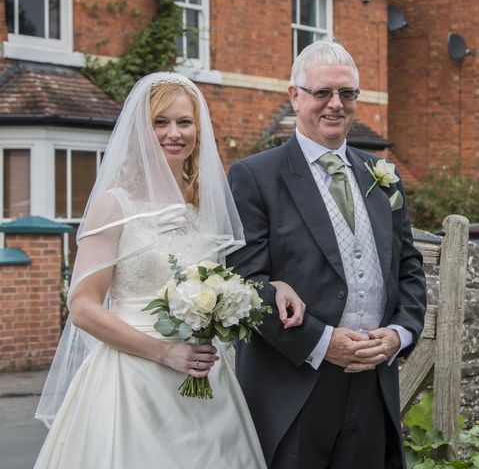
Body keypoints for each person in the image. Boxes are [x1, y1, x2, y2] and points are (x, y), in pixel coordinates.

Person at [34, 72, 305, 469]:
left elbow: (230, 281)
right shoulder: (114, 204)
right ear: (140, 131)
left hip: (206, 380)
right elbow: (83, 308)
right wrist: (165, 352)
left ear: (199, 128)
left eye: (184, 121)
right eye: (159, 122)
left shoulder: (205, 206)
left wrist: (276, 285)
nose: (173, 133)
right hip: (132, 382)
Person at [227, 41, 427, 469]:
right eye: (322, 93)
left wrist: (398, 335)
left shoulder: (383, 177)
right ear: (295, 96)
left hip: (373, 385)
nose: (336, 105)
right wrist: (322, 342)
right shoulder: (254, 177)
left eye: (347, 93)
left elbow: (409, 268)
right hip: (293, 387)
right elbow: (244, 282)